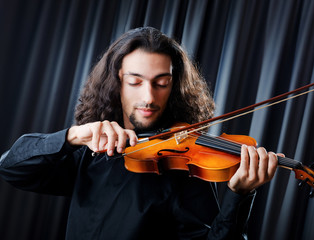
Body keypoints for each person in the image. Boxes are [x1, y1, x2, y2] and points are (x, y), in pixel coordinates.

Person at [0, 27, 278, 239]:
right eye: (135, 81)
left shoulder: (183, 167)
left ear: (174, 87)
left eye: (162, 83)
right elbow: (11, 167)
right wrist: (73, 136)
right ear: (116, 82)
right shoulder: (88, 150)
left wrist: (239, 196)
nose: (148, 96)